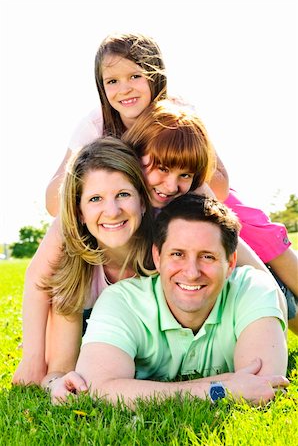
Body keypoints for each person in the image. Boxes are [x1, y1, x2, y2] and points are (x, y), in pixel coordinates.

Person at [44, 32, 298, 329]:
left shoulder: (176, 112)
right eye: (112, 81)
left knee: (258, 233)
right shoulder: (96, 124)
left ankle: (283, 310)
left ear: (155, 75)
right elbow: (53, 201)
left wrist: (175, 171)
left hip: (190, 194)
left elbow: (219, 185)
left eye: (135, 76)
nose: (124, 89)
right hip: (144, 207)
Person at [49, 194, 288, 406]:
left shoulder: (252, 287)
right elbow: (99, 389)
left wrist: (134, 389)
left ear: (231, 263)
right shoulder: (122, 301)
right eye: (177, 254)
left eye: (207, 256)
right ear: (157, 255)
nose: (192, 272)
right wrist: (223, 390)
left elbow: (263, 385)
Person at [13, 137, 156, 385]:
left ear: (142, 201)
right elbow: (58, 371)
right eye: (95, 199)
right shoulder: (76, 271)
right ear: (79, 212)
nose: (112, 211)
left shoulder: (167, 251)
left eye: (123, 194)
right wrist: (50, 378)